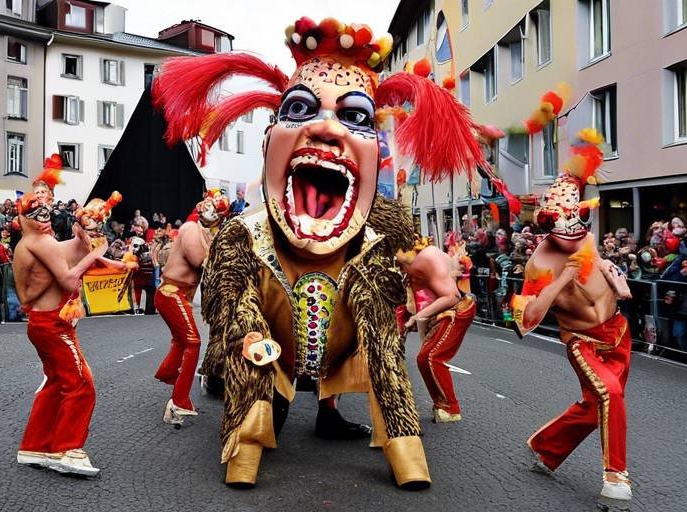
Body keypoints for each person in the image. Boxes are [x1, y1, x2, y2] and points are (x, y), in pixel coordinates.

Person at [153, 15, 517, 489]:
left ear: (375, 154)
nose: (325, 129)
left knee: (382, 336)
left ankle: (400, 440)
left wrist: (415, 286)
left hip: (345, 342)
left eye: (356, 117)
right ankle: (251, 429)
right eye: (300, 109)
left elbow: (415, 277)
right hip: (274, 348)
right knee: (258, 369)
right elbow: (228, 301)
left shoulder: (384, 226)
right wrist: (247, 339)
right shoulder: (242, 233)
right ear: (268, 144)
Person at [510, 128, 634, 502]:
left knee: (597, 404)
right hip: (584, 341)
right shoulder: (539, 263)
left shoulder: (589, 240)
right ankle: (616, 479)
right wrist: (562, 278)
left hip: (619, 332)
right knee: (610, 393)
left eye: (578, 218)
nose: (575, 232)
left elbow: (604, 278)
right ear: (546, 224)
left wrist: (619, 284)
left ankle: (545, 447)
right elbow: (524, 320)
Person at [14, 191, 108, 476]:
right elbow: (68, 278)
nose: (45, 218)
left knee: (56, 382)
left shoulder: (37, 242)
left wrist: (83, 236)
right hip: (52, 325)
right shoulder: (39, 241)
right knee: (81, 384)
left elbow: (65, 254)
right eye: (39, 214)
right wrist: (94, 252)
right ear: (24, 218)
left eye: (47, 211)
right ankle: (66, 450)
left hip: (45, 322)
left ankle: (35, 445)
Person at [153, 192, 229, 425]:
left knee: (181, 342)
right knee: (193, 342)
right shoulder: (190, 229)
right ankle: (178, 402)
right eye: (210, 207)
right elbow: (201, 261)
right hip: (170, 292)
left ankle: (168, 375)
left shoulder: (204, 232)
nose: (211, 213)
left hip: (178, 294)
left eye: (217, 212)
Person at [397, 240, 476, 423]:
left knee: (431, 357)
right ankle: (442, 405)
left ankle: (450, 408)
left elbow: (451, 296)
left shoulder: (427, 258)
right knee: (424, 358)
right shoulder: (413, 261)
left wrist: (418, 317)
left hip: (456, 310)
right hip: (441, 313)